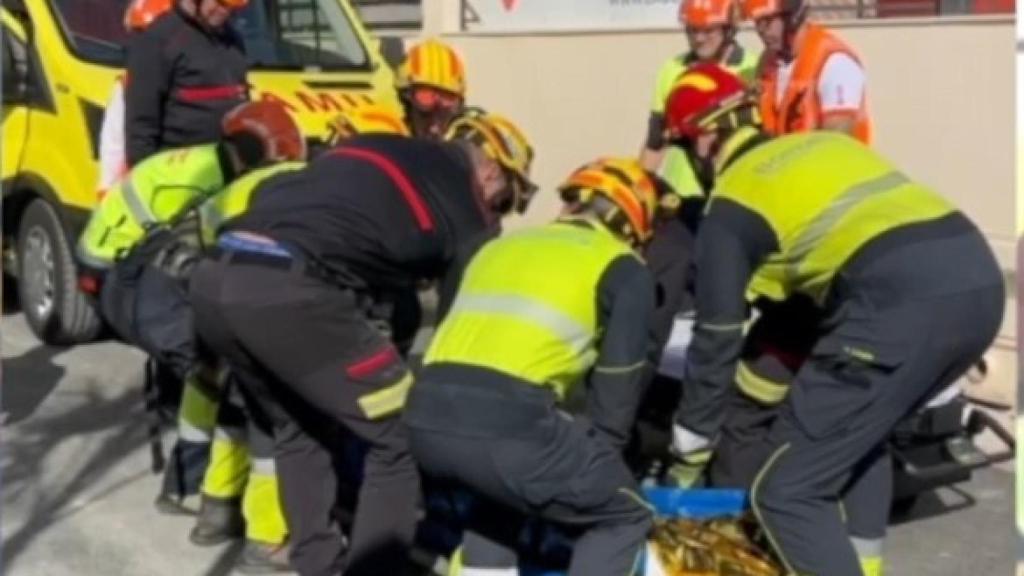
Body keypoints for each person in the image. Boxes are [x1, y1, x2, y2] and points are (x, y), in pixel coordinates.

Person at [663, 63, 1003, 576]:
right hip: (980, 285)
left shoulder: (731, 204)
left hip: (897, 306)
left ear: (705, 142)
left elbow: (716, 337)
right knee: (857, 438)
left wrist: (687, 458)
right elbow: (816, 282)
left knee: (785, 490)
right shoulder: (825, 146)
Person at [188, 114, 536, 576]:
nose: (501, 213)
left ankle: (318, 563)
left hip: (215, 279)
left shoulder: (379, 148)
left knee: (298, 424)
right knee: (398, 433)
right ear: (491, 171)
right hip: (291, 293)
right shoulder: (469, 212)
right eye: (506, 199)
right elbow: (457, 326)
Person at [404, 158, 675, 576]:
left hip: (424, 412)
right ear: (632, 228)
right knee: (622, 514)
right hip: (508, 424)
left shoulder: (497, 245)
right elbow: (616, 392)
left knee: (501, 495)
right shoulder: (621, 267)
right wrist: (602, 462)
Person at [78, 100, 305, 517]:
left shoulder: (195, 161)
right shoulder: (211, 184)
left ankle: (187, 486)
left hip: (114, 270)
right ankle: (220, 498)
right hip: (130, 280)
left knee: (205, 372)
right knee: (233, 382)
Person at [641, 0, 758, 199]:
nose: (699, 39)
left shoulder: (753, 69)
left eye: (708, 30)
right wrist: (640, 189)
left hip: (732, 193)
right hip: (680, 194)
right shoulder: (672, 70)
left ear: (729, 29)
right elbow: (655, 141)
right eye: (692, 30)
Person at [125, 0, 249, 167]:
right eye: (220, 3)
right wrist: (147, 177)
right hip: (177, 172)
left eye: (232, 8)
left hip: (227, 168)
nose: (225, 12)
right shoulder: (159, 40)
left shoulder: (233, 40)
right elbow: (141, 126)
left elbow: (240, 96)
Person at [743, 0, 871, 142]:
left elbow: (837, 139)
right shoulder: (768, 63)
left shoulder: (834, 62)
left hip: (831, 162)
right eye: (757, 25)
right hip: (782, 160)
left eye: (767, 22)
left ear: (793, 17)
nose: (762, 32)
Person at [96, 0, 173, 198]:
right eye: (138, 36)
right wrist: (107, 193)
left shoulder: (193, 74)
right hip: (139, 191)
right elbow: (114, 144)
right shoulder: (128, 85)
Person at [395, 38, 467, 140]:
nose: (434, 129)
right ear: (405, 106)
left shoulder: (470, 143)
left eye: (443, 116)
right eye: (424, 115)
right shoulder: (383, 139)